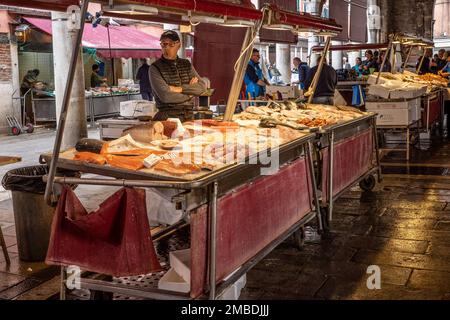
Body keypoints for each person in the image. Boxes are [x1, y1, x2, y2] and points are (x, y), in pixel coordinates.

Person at [149, 30, 207, 121]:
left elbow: (202, 87)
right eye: (164, 44)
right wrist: (190, 95)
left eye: (171, 44)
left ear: (178, 45)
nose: (167, 47)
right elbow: (166, 96)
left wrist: (181, 89)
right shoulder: (155, 68)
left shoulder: (186, 64)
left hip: (188, 115)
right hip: (168, 116)